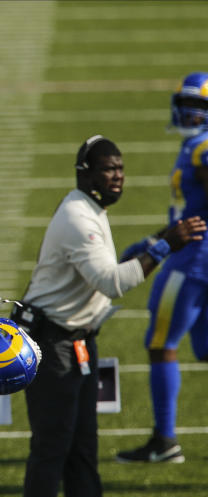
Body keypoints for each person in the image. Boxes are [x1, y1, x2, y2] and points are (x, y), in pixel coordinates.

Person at [10, 135, 205, 497]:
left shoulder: (89, 209)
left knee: (81, 455)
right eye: (108, 169)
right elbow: (112, 282)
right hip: (53, 345)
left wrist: (156, 241)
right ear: (85, 172)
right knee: (49, 455)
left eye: (120, 169)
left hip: (77, 345)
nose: (117, 176)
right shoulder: (79, 216)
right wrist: (165, 245)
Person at [116, 72, 208, 465]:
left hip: (192, 262)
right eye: (188, 104)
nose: (190, 113)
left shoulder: (202, 149)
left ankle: (165, 440)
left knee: (160, 344)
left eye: (199, 107)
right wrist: (156, 239)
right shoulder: (195, 146)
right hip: (194, 254)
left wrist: (167, 244)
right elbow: (192, 212)